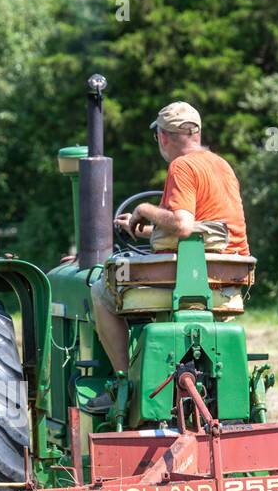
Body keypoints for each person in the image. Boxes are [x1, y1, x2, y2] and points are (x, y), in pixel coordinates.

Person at [90, 101, 250, 377]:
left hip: (191, 277)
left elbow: (183, 226)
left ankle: (124, 381)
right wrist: (140, 231)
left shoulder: (183, 166)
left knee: (101, 289)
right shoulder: (222, 166)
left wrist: (144, 210)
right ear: (197, 133)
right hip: (230, 274)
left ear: (163, 137)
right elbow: (199, 233)